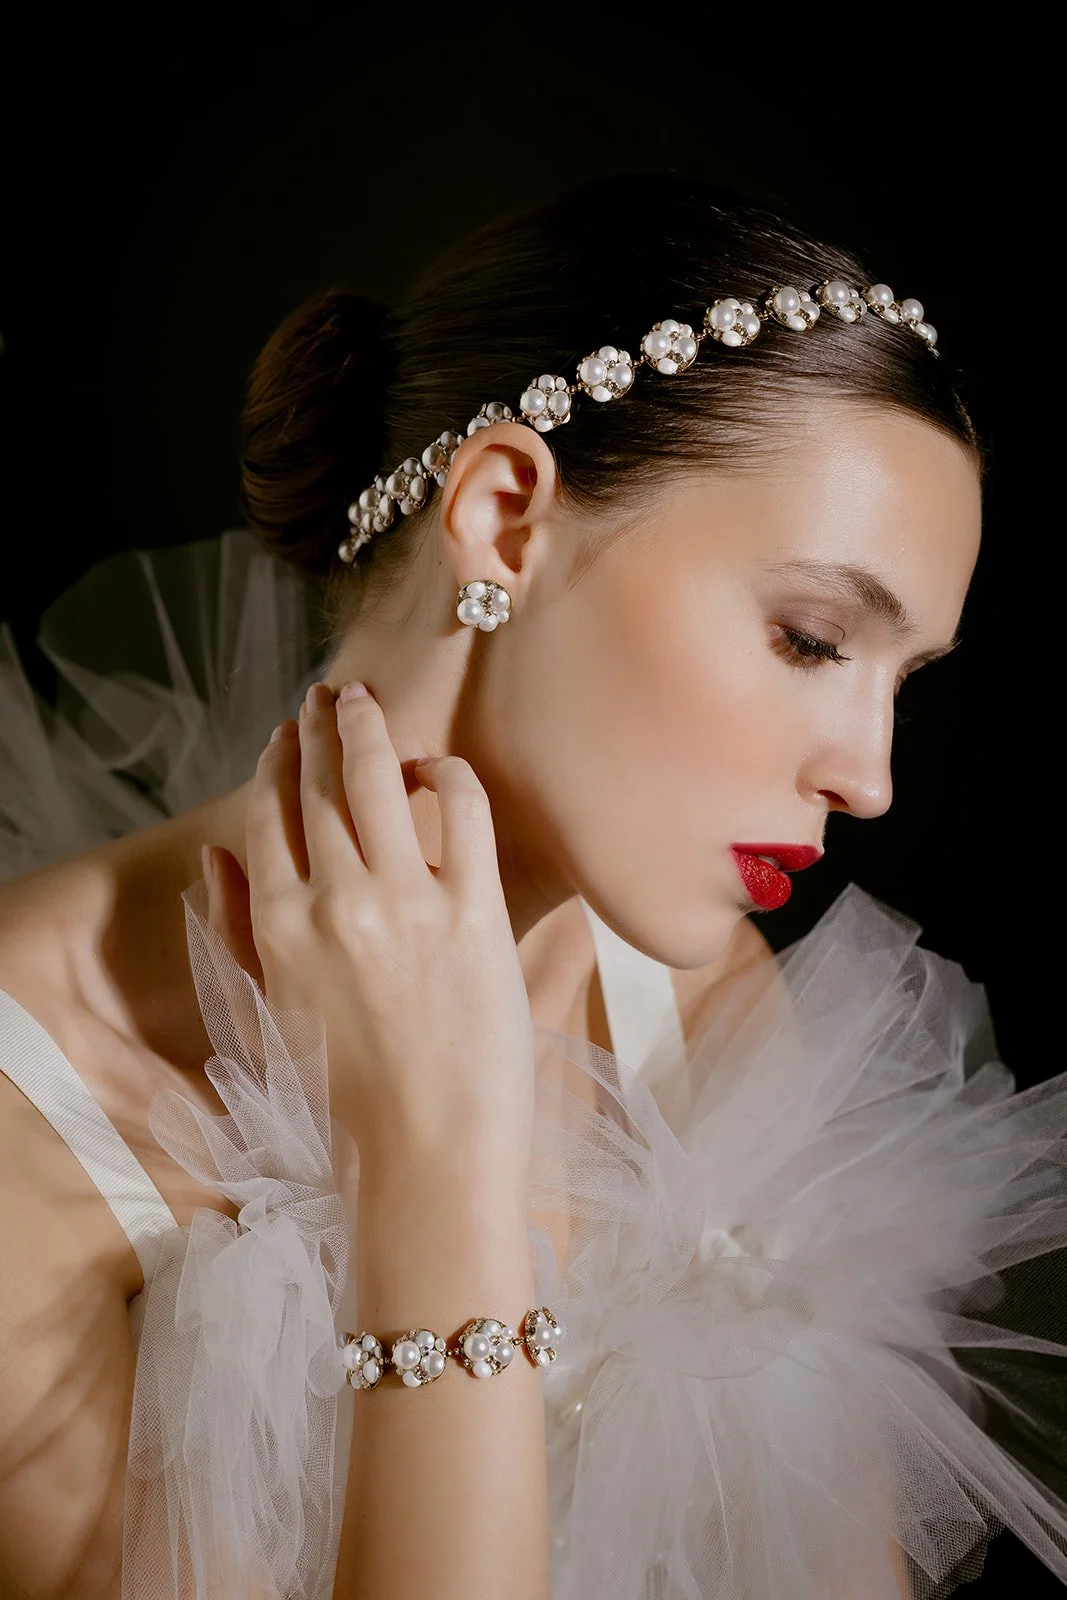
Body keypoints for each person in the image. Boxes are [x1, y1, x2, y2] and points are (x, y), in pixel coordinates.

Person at [0, 172, 1064, 1600]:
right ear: (505, 519)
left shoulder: (698, 1000)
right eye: (813, 639)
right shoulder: (25, 1132)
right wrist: (432, 1165)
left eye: (901, 681)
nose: (869, 779)